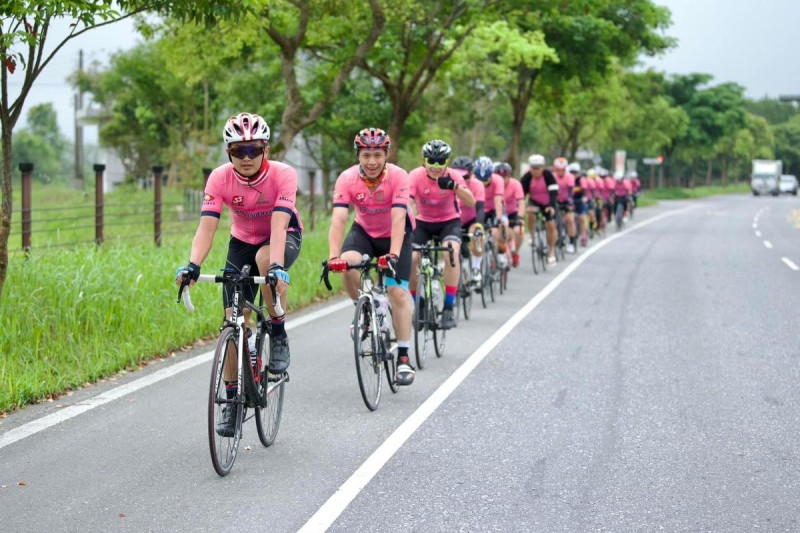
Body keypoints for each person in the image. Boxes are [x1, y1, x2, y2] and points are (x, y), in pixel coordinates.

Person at [175, 112, 303, 437]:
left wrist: (276, 267)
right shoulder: (219, 178)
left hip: (282, 236)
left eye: (254, 150)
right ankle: (232, 401)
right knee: (233, 318)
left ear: (266, 150)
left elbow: (278, 225)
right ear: (228, 152)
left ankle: (278, 330)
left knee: (265, 260)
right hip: (241, 241)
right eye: (238, 151)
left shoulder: (283, 175)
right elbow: (207, 228)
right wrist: (193, 265)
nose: (247, 158)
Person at [326, 128, 417, 386]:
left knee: (397, 292)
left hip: (396, 234)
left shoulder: (399, 176)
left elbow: (399, 217)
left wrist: (394, 255)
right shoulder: (346, 178)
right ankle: (363, 309)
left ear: (386, 154)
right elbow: (340, 218)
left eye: (377, 154)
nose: (372, 161)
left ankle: (403, 356)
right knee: (348, 263)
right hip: (364, 231)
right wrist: (334, 256)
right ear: (358, 155)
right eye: (366, 155)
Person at [408, 140, 475, 329]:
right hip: (423, 222)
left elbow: (470, 202)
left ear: (447, 162)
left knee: (450, 252)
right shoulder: (415, 175)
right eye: (431, 161)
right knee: (412, 258)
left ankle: (448, 307)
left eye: (441, 162)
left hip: (449, 222)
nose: (436, 167)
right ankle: (419, 303)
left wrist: (455, 187)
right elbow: (408, 202)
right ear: (424, 161)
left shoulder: (453, 176)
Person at [520, 154, 558, 265]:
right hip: (534, 201)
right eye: (533, 168)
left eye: (538, 168)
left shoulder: (548, 175)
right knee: (530, 212)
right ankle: (532, 235)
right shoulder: (527, 176)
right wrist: (525, 206)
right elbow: (521, 194)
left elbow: (553, 193)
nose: (535, 171)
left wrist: (551, 206)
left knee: (550, 225)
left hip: (548, 202)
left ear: (543, 167)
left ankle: (551, 252)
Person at [452, 156, 485, 284]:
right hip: (454, 219)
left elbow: (480, 208)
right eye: (458, 176)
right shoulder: (450, 183)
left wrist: (479, 226)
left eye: (465, 177)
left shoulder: (477, 185)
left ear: (471, 173)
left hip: (471, 219)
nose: (462, 180)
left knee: (477, 234)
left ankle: (476, 269)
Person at [474, 156, 508, 269]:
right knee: (477, 232)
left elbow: (498, 199)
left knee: (500, 227)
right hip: (480, 208)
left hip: (495, 208)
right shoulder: (473, 180)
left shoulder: (498, 179)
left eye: (486, 180)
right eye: (480, 180)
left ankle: (501, 252)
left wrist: (498, 218)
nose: (483, 183)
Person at [498, 162, 525, 267]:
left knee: (518, 230)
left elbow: (521, 202)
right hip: (499, 212)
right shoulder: (495, 184)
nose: (502, 179)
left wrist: (520, 217)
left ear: (509, 176)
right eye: (499, 177)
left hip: (512, 212)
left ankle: (515, 252)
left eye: (505, 177)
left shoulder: (515, 184)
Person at [553, 157, 578, 253]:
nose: (560, 172)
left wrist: (570, 203)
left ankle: (571, 242)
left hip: (566, 200)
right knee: (552, 221)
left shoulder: (570, 177)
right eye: (558, 170)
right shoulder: (552, 176)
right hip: (555, 200)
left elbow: (571, 191)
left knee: (570, 219)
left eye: (562, 170)